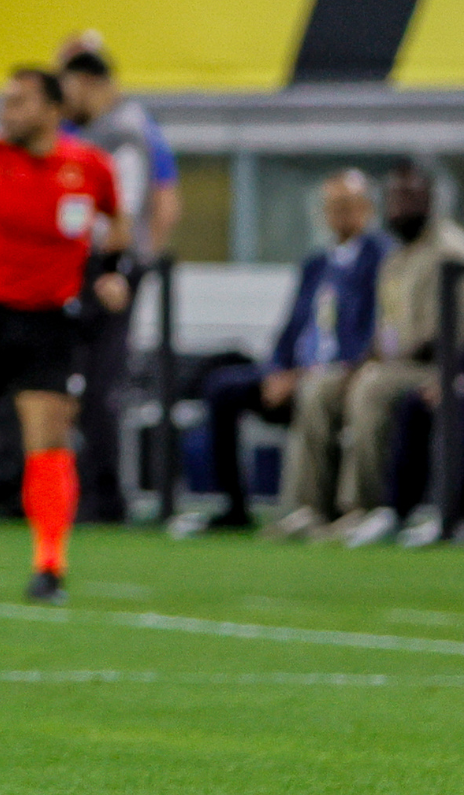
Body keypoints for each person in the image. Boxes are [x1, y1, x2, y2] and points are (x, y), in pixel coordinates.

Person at [0, 68, 130, 602]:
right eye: (5, 101)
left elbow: (118, 222)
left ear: (51, 109)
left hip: (51, 320)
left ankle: (49, 566)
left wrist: (112, 271)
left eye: (18, 102)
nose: (6, 112)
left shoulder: (90, 167)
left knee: (49, 435)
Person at [271, 161, 464, 546]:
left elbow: (442, 335)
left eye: (409, 197)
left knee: (371, 388)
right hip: (395, 364)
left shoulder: (448, 251)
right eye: (394, 198)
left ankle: (363, 507)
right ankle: (309, 508)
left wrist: (378, 366)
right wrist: (358, 365)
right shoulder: (398, 256)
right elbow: (384, 329)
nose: (399, 207)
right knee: (322, 388)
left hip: (437, 367)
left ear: (430, 200)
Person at [188, 170, 385, 534]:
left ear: (367, 210)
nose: (338, 215)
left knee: (315, 391)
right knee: (222, 386)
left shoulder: (380, 260)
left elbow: (370, 334)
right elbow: (291, 329)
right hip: (295, 372)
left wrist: (300, 377)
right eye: (331, 207)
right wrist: (276, 371)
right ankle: (234, 506)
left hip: (337, 376)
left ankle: (312, 507)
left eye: (347, 206)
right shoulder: (316, 264)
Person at [59, 43, 179, 523]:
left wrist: (119, 269)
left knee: (101, 385)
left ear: (88, 82)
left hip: (111, 268)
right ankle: (89, 491)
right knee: (88, 382)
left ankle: (105, 497)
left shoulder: (123, 134)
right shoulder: (106, 129)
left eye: (67, 88)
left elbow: (125, 213)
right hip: (102, 265)